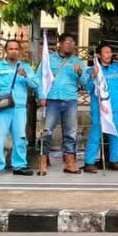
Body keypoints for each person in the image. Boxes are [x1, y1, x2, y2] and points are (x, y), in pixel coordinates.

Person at [0, 39, 44, 178]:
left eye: (16, 49)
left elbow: (36, 84)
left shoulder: (25, 67)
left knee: (20, 138)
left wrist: (26, 75)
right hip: (1, 107)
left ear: (20, 51)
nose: (13, 51)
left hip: (19, 108)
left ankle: (19, 165)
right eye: (10, 49)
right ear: (6, 51)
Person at [83, 42, 118, 172]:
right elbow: (88, 88)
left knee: (115, 135)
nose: (109, 54)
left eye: (110, 52)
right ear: (99, 55)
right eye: (106, 52)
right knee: (95, 135)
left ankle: (114, 161)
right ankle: (89, 162)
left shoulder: (117, 68)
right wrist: (93, 76)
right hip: (98, 108)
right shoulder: (91, 70)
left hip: (114, 108)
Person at [40, 33, 85, 174]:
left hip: (70, 100)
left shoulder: (77, 61)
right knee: (46, 131)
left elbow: (86, 84)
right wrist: (41, 96)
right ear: (59, 43)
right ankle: (42, 163)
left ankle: (70, 163)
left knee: (71, 133)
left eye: (72, 42)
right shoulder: (49, 60)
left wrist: (79, 73)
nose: (70, 44)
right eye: (67, 42)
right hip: (52, 99)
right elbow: (39, 78)